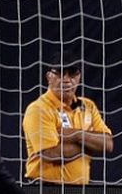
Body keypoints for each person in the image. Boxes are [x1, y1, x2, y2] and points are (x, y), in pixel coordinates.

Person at [23, 51, 113, 185]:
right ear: (48, 77)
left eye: (72, 73)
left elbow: (108, 144)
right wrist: (91, 144)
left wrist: (76, 135)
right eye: (59, 73)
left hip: (80, 190)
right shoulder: (38, 109)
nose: (66, 79)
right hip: (45, 189)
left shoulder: (88, 106)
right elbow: (51, 154)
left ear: (79, 77)